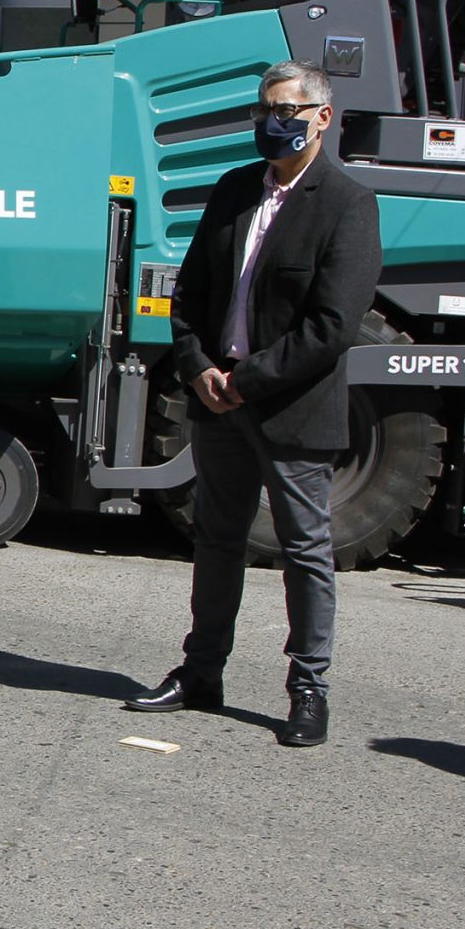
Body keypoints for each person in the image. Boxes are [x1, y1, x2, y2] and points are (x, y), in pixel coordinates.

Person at [127, 59, 382, 749]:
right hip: (219, 400)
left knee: (304, 549)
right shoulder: (235, 190)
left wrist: (249, 378)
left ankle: (308, 687)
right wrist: (201, 366)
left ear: (322, 118)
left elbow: (332, 325)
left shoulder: (348, 206)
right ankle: (201, 671)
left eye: (286, 111)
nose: (272, 122)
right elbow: (189, 297)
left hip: (290, 406)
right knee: (216, 540)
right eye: (263, 108)